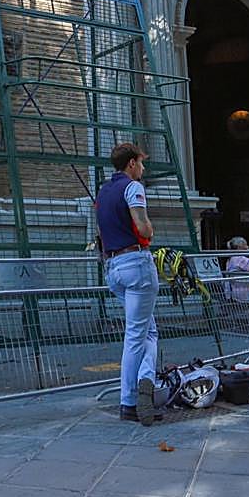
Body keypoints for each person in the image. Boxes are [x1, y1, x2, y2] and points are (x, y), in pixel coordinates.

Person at [95, 142, 162, 426]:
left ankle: (143, 383)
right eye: (141, 163)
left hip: (113, 267)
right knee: (137, 335)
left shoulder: (103, 191)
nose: (143, 169)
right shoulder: (132, 188)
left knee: (147, 330)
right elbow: (143, 225)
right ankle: (132, 397)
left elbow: (100, 230)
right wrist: (149, 230)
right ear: (132, 163)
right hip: (136, 263)